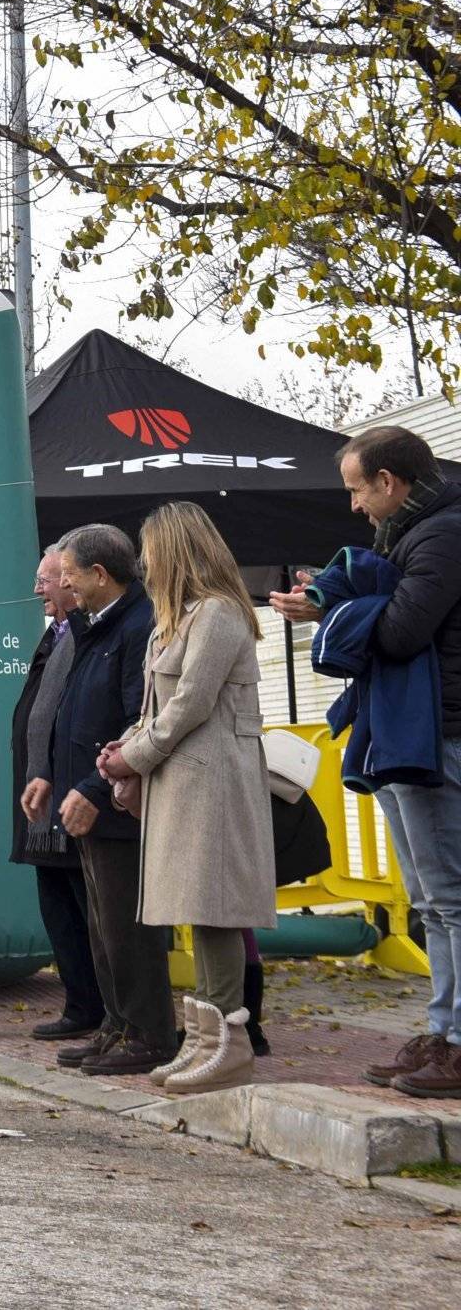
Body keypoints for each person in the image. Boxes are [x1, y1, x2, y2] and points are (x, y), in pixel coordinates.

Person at [276, 426, 461, 1100]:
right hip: (412, 733)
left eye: (358, 489)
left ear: (389, 482)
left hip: (437, 736)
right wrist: (334, 603)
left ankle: (457, 1039)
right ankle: (443, 1031)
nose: (353, 506)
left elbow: (403, 629)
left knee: (449, 898)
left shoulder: (441, 534)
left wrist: (332, 613)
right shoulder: (414, 536)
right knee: (433, 900)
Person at [95, 501, 275, 1094]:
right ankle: (203, 1041)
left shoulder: (219, 613)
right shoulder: (180, 618)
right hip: (186, 780)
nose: (144, 565)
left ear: (175, 552)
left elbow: (191, 702)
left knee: (216, 907)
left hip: (215, 781)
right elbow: (157, 708)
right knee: (199, 909)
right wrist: (124, 746)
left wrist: (135, 756)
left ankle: (226, 1044)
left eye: (149, 553)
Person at [38, 524, 172, 1076]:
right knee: (103, 926)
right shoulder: (96, 629)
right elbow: (74, 714)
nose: (63, 584)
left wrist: (93, 788)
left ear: (99, 574)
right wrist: (50, 775)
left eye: (68, 574)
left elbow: (133, 719)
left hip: (119, 802)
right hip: (87, 795)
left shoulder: (136, 626)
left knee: (128, 927)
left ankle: (148, 1033)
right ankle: (117, 1026)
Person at [10, 544, 102, 1043]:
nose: (38, 590)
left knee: (81, 905)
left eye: (46, 580)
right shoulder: (58, 633)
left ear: (72, 581)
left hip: (72, 794)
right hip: (44, 796)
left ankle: (94, 1005)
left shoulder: (88, 633)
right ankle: (80, 1002)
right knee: (57, 904)